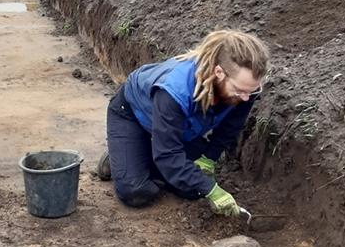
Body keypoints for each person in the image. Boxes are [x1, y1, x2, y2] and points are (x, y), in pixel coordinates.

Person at [98, 29, 269, 216]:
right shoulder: (174, 90)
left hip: (177, 129)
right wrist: (211, 189)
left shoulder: (246, 88)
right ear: (219, 72)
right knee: (136, 192)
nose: (246, 98)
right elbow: (168, 154)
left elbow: (231, 127)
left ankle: (141, 154)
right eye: (239, 90)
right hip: (132, 117)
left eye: (251, 92)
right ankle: (124, 155)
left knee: (191, 190)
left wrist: (209, 158)